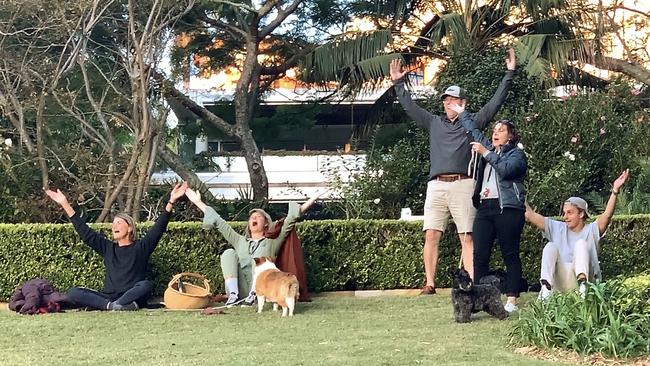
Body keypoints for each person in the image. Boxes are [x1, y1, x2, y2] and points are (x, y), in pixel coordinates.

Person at [389, 48, 516, 294]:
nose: (448, 104)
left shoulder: (473, 122)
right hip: (436, 184)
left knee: (467, 237)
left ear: (463, 103)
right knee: (431, 234)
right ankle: (430, 284)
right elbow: (409, 106)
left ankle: (470, 284)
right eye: (446, 101)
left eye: (453, 100)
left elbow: (495, 103)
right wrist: (398, 83)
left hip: (463, 183)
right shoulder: (433, 122)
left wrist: (509, 73)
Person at [44, 182, 187, 310]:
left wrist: (171, 201)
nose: (114, 226)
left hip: (132, 295)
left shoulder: (142, 247)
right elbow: (85, 233)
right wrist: (65, 204)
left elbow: (159, 227)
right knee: (73, 292)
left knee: (146, 285)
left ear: (130, 228)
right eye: (113, 224)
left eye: (119, 223)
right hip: (108, 298)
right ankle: (114, 306)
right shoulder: (107, 248)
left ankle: (119, 304)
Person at [185, 187, 323, 307]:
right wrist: (198, 202)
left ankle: (254, 295)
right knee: (228, 253)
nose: (254, 219)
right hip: (242, 287)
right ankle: (233, 296)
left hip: (262, 287)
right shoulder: (239, 240)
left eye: (258, 217)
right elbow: (219, 222)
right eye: (251, 217)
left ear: (266, 224)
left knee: (258, 260)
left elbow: (290, 220)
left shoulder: (272, 241)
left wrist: (313, 198)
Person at [450, 102, 527, 313]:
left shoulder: (516, 155)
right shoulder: (489, 149)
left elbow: (506, 170)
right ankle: (477, 299)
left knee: (509, 254)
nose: (495, 133)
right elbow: (474, 131)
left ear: (510, 136)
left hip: (508, 208)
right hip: (485, 207)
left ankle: (511, 300)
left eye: (501, 130)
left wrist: (485, 152)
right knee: (479, 255)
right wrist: (462, 113)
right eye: (494, 130)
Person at [525, 170, 629, 300]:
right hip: (562, 283)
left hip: (585, 281)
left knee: (581, 244)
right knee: (550, 246)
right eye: (564, 213)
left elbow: (607, 215)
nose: (565, 217)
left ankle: (583, 289)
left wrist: (615, 191)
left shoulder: (592, 229)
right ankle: (546, 290)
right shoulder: (557, 227)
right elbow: (529, 214)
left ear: (581, 214)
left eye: (570, 213)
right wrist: (513, 187)